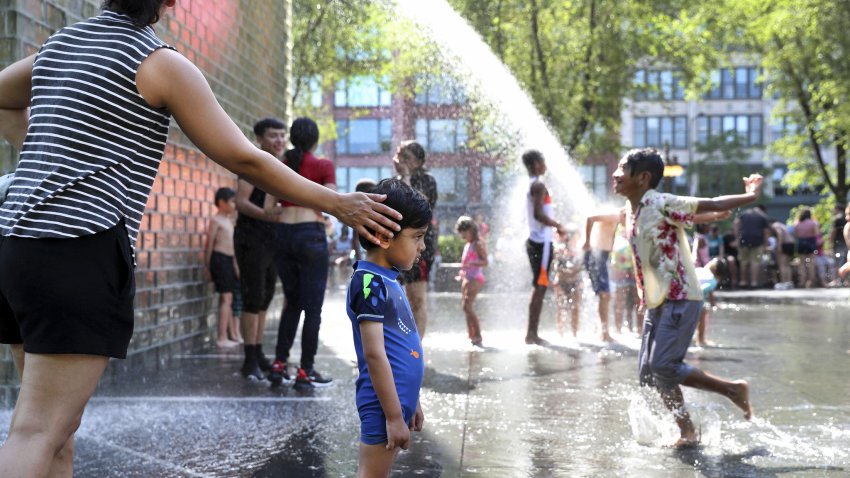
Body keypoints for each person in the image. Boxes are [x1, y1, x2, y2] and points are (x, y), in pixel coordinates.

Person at [0, 2, 402, 476]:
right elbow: (244, 159)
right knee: (38, 431)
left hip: (17, 247)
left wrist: (48, 160)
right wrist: (335, 202)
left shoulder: (60, 45)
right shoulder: (158, 62)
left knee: (55, 433)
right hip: (79, 248)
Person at [613, 148, 755, 448]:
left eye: (622, 169)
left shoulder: (658, 200)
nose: (615, 174)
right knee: (649, 374)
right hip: (657, 302)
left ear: (643, 177)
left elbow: (712, 201)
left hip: (680, 295)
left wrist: (749, 196)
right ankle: (687, 431)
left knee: (664, 365)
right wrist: (714, 215)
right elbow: (694, 214)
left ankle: (732, 389)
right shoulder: (633, 208)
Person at [346, 179, 427, 476]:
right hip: (382, 406)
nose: (423, 246)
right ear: (383, 236)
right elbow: (375, 354)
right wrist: (393, 415)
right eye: (417, 237)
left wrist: (411, 399)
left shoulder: (386, 278)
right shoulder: (369, 283)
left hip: (394, 402)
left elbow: (402, 343)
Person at [264, 117, 336, 389]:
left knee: (291, 303)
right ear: (315, 140)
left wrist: (289, 203)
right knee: (312, 309)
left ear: (292, 138)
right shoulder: (323, 165)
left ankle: (279, 364)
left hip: (283, 235)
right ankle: (306, 370)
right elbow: (329, 201)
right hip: (311, 235)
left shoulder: (281, 164)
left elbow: (270, 207)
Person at [233, 117, 285, 381]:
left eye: (282, 135)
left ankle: (258, 352)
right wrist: (269, 216)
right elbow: (241, 202)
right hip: (250, 239)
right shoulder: (253, 163)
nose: (279, 140)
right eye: (273, 136)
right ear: (260, 140)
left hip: (271, 240)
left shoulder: (279, 165)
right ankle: (249, 358)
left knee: (264, 297)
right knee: (252, 298)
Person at [394, 141, 437, 340]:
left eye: (407, 158)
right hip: (396, 246)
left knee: (417, 299)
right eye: (400, 156)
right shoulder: (395, 181)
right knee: (397, 299)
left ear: (419, 161)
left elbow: (419, 207)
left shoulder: (427, 180)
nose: (402, 161)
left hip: (420, 247)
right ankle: (400, 345)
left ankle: (416, 349)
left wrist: (407, 177)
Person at [523, 149, 565, 345]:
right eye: (542, 161)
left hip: (538, 242)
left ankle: (532, 333)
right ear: (535, 164)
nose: (545, 165)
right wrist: (558, 225)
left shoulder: (534, 185)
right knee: (540, 287)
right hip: (540, 244)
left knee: (539, 287)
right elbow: (539, 214)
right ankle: (531, 334)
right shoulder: (538, 185)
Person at [204, 187, 241, 348]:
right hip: (218, 259)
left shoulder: (229, 221)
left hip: (228, 260)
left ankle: (231, 334)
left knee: (230, 298)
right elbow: (209, 244)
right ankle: (221, 337)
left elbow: (232, 247)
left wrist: (236, 266)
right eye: (232, 202)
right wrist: (207, 266)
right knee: (226, 298)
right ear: (221, 202)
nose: (234, 205)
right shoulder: (216, 221)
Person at [583, 208, 624, 342]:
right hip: (595, 253)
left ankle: (601, 331)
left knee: (605, 295)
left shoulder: (617, 221)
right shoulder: (614, 215)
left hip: (602, 255)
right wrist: (587, 242)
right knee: (604, 294)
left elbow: (609, 237)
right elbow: (590, 218)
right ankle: (603, 333)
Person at [455, 216, 487, 347]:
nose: (463, 235)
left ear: (472, 230)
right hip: (467, 278)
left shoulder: (477, 244)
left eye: (465, 232)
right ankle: (471, 335)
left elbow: (485, 261)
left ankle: (478, 335)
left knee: (467, 306)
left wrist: (473, 263)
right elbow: (465, 262)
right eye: (461, 233)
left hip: (476, 278)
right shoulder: (468, 245)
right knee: (466, 307)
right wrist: (462, 273)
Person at [552, 227, 583, 338]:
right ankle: (561, 334)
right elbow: (556, 267)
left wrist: (574, 272)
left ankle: (575, 334)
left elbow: (582, 267)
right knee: (561, 307)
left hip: (575, 281)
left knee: (575, 308)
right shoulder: (560, 250)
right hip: (561, 281)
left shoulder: (580, 251)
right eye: (576, 235)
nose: (578, 238)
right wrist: (569, 272)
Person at [733, 205, 771, 288]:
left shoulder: (744, 213)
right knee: (755, 262)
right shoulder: (763, 216)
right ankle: (754, 283)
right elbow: (766, 231)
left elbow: (736, 222)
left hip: (744, 239)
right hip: (757, 241)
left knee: (743, 262)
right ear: (763, 210)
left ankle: (743, 282)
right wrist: (765, 244)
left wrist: (737, 238)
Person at [611, 225, 639, 334]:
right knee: (620, 301)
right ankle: (618, 330)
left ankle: (639, 330)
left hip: (636, 270)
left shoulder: (637, 223)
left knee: (637, 301)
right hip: (620, 270)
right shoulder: (618, 229)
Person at [695, 259, 720, 347]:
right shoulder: (712, 280)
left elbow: (710, 293)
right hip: (693, 297)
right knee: (703, 312)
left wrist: (713, 303)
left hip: (684, 293)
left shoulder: (700, 270)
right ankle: (701, 340)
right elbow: (703, 290)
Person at [794, 208, 820, 288]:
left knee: (802, 263)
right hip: (811, 242)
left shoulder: (797, 223)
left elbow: (796, 235)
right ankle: (811, 281)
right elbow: (817, 234)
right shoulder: (813, 223)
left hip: (801, 242)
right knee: (811, 263)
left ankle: (802, 281)